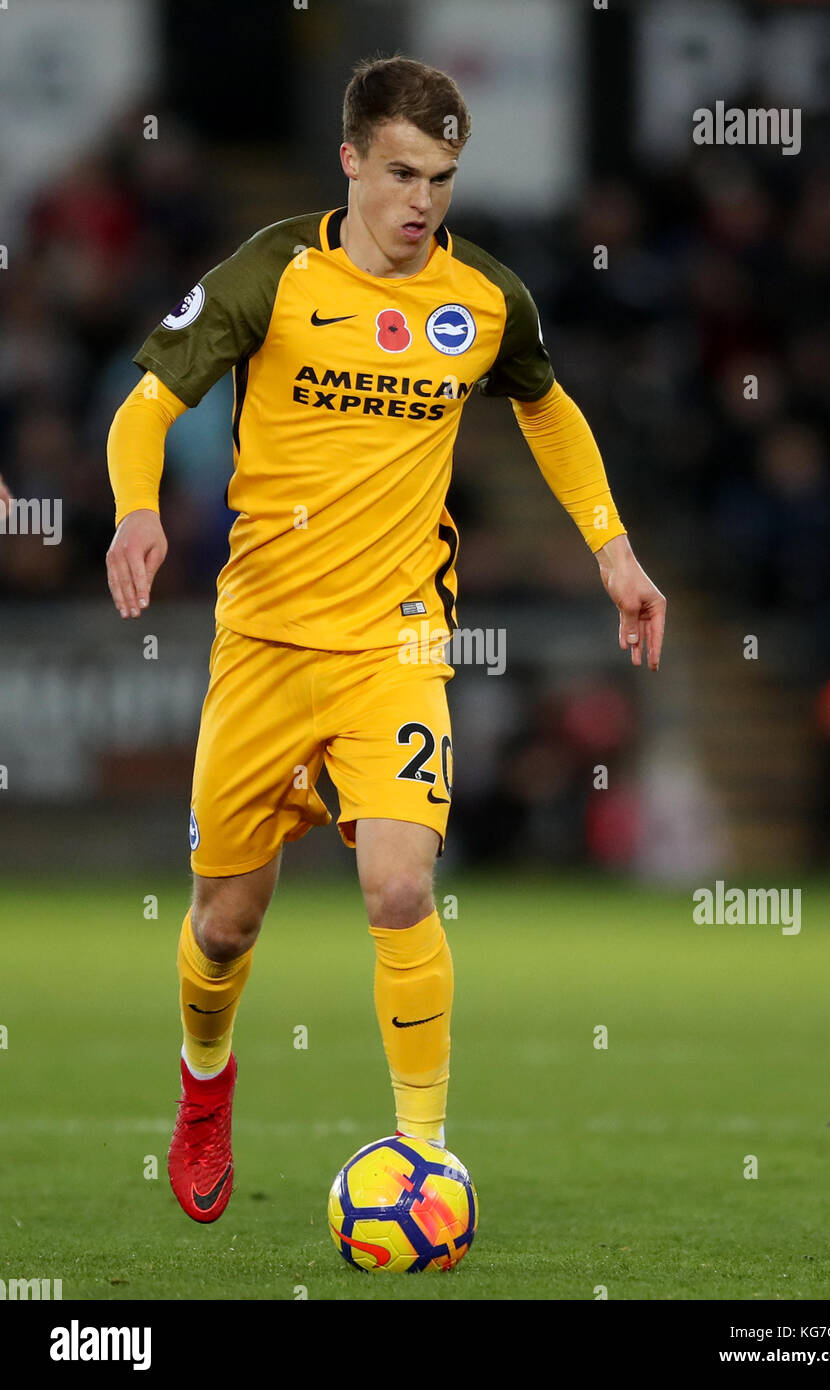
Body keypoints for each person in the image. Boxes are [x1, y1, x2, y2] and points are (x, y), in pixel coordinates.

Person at [105, 55, 666, 1224]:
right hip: (260, 642)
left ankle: (424, 1156)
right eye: (402, 173)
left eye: (444, 180)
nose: (422, 203)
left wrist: (613, 550)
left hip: (396, 644)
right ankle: (204, 1082)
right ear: (352, 159)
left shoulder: (487, 299)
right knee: (224, 920)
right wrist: (138, 510)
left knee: (400, 886)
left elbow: (545, 406)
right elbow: (148, 402)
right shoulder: (273, 273)